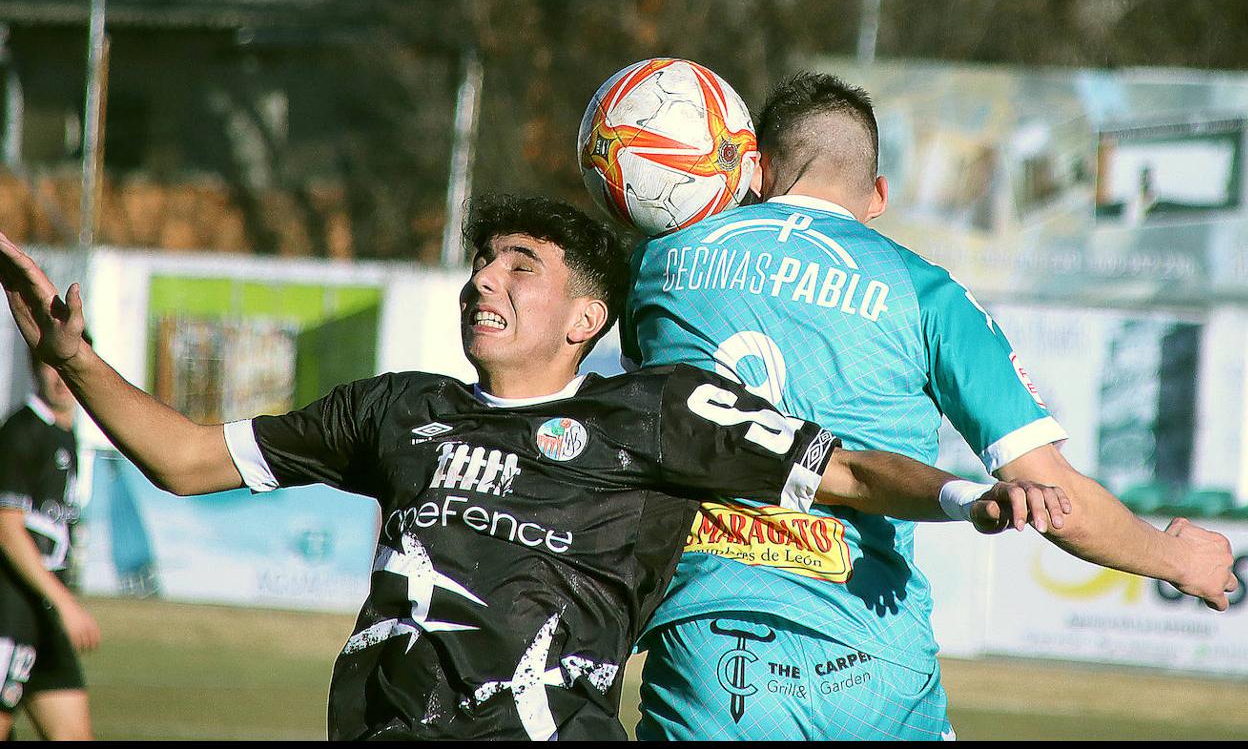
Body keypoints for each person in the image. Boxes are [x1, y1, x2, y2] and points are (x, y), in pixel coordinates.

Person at [0, 196, 1065, 740]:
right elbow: (186, 458)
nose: (484, 281)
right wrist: (74, 359)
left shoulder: (653, 411)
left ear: (589, 317)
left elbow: (843, 473)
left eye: (521, 267)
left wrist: (974, 495)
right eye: (479, 262)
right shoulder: (398, 407)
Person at [624, 72, 1238, 740]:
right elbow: (1052, 495)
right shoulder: (929, 294)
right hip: (877, 664)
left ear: (759, 169)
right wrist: (1178, 559)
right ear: (879, 196)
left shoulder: (663, 263)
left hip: (717, 647)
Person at [0, 347, 100, 741]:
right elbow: (8, 530)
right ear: (34, 369)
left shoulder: (67, 434)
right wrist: (66, 603)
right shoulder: (20, 432)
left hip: (47, 617)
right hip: (10, 612)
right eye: (51, 366)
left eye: (69, 367)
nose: (61, 378)